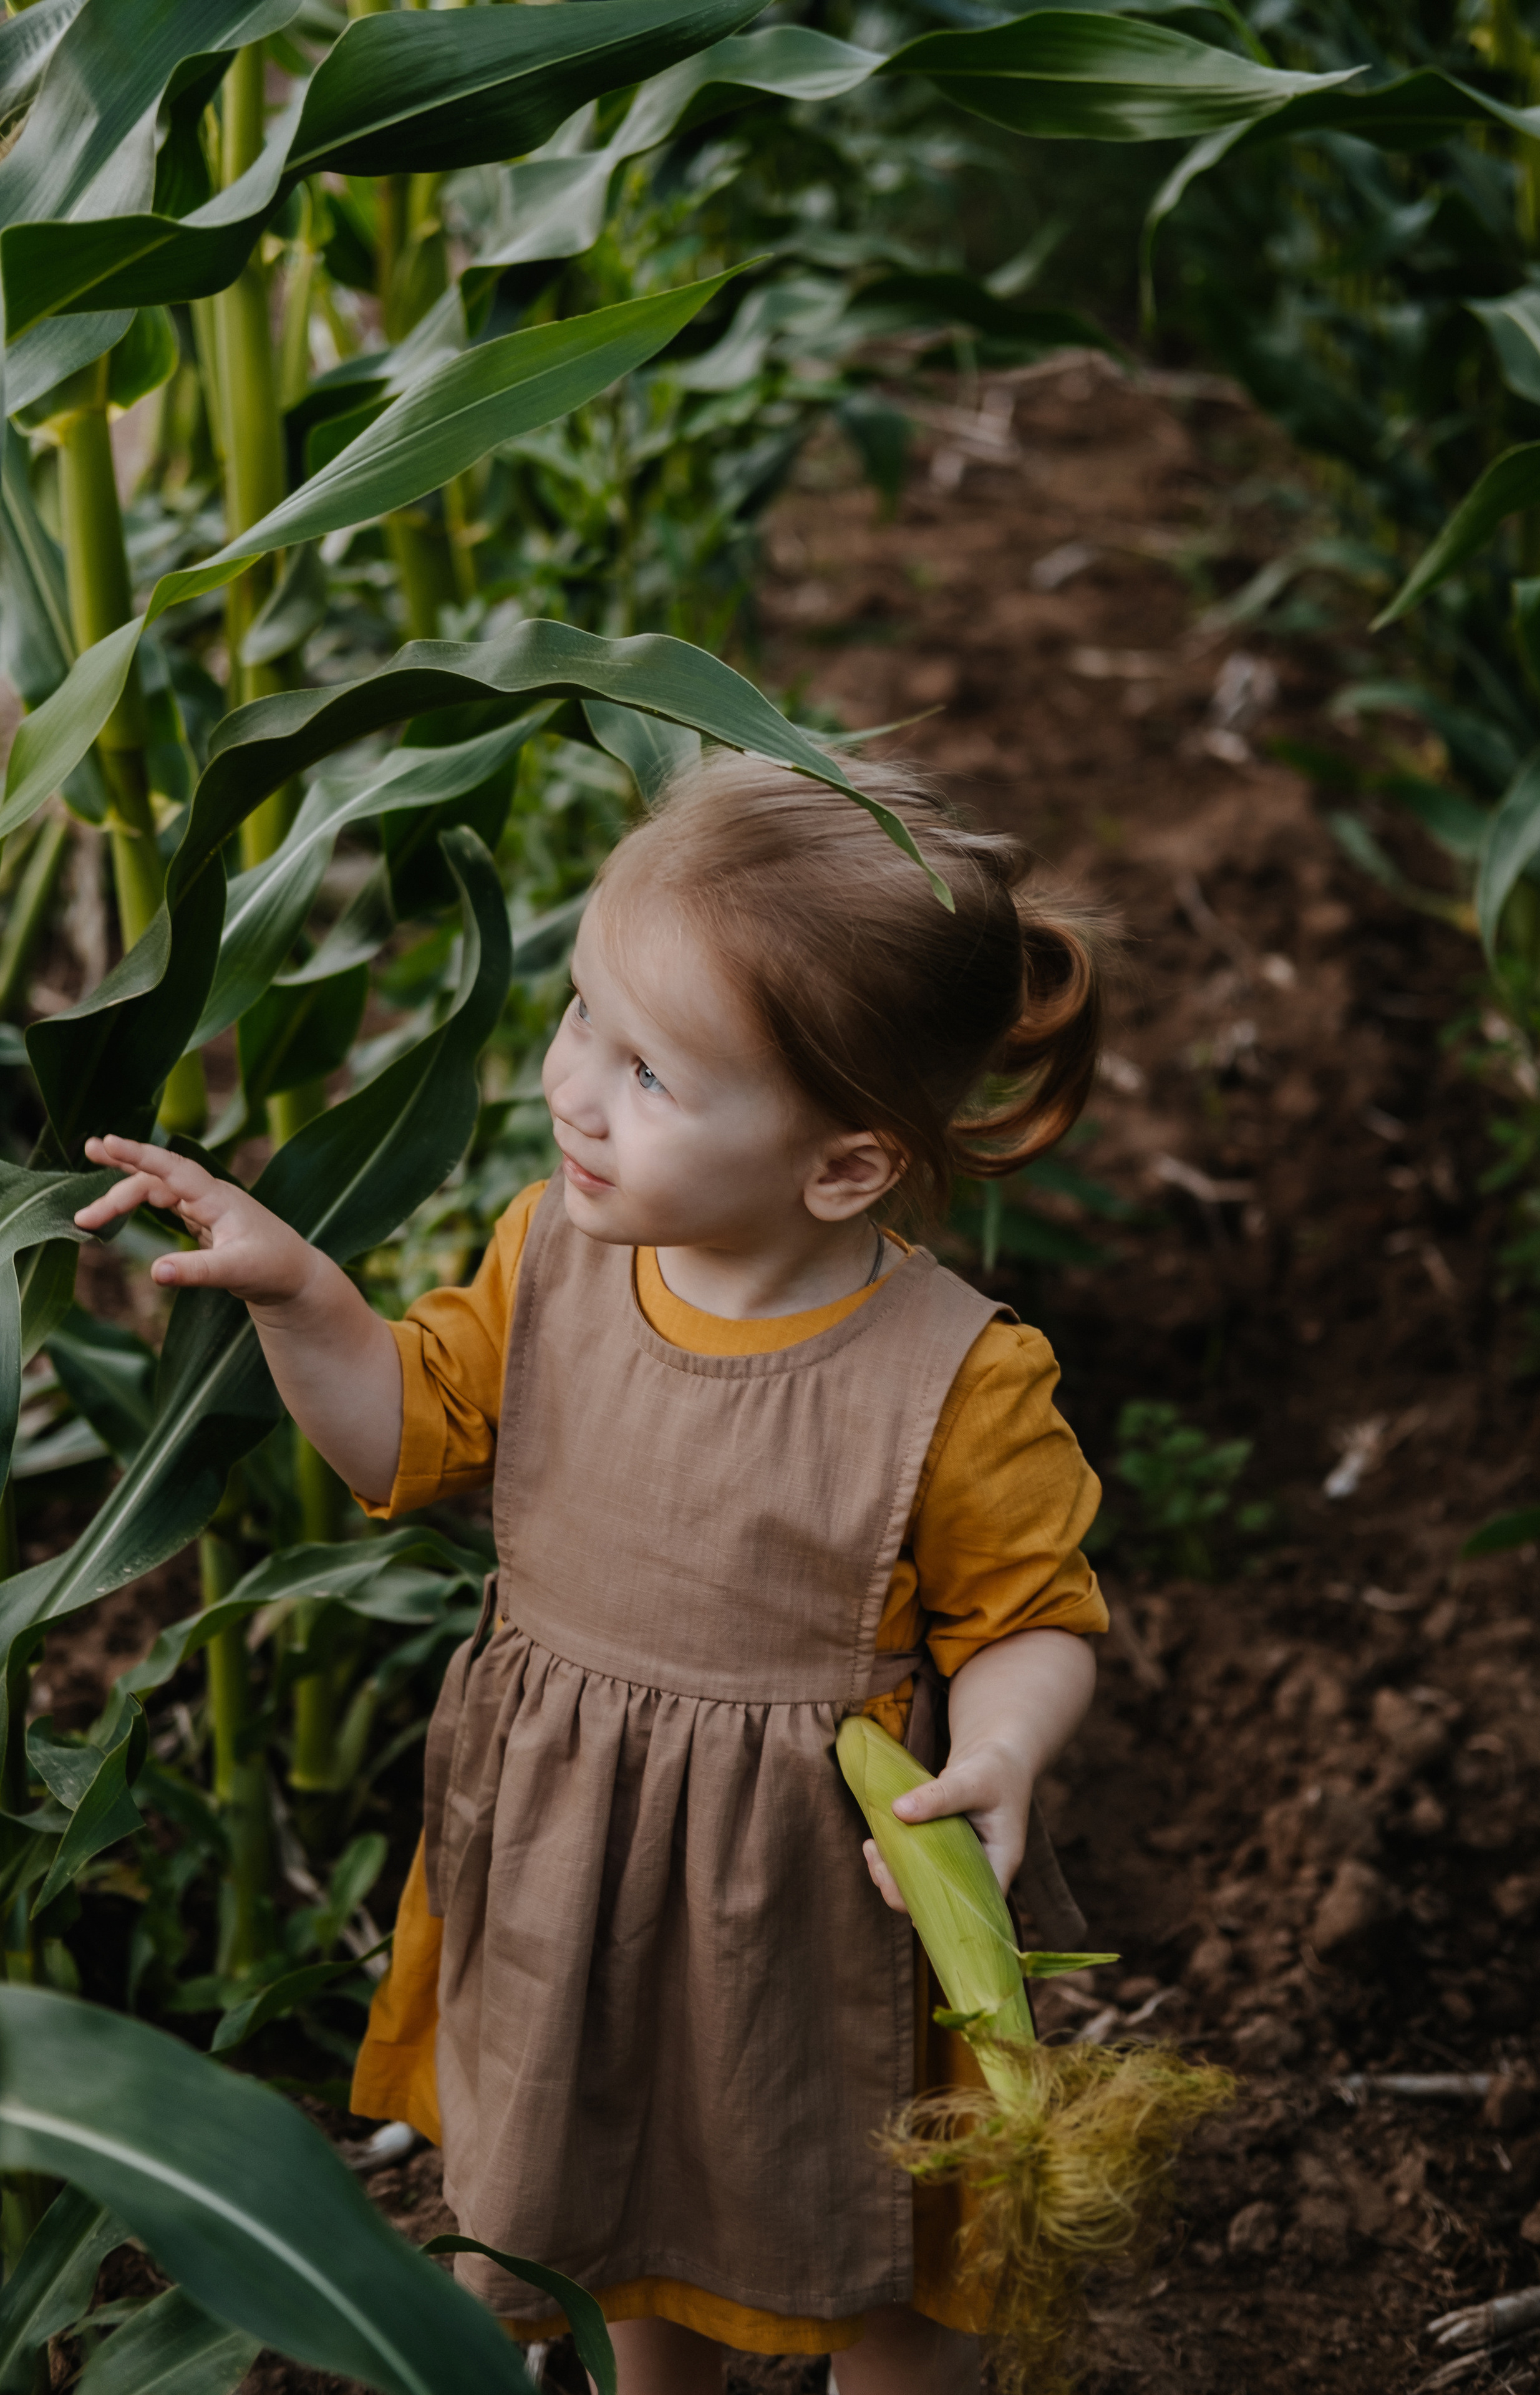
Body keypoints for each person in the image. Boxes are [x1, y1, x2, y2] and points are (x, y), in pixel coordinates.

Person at [77, 752, 1110, 2395]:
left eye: (647, 1072)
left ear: (843, 1165)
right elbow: (404, 1435)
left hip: (820, 1907)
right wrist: (302, 1299)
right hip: (593, 1876)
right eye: (577, 1019)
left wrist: (1003, 1745)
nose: (572, 1089)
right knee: (630, 2218)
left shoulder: (952, 1376)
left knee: (900, 2258)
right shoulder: (545, 1264)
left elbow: (1031, 1616)